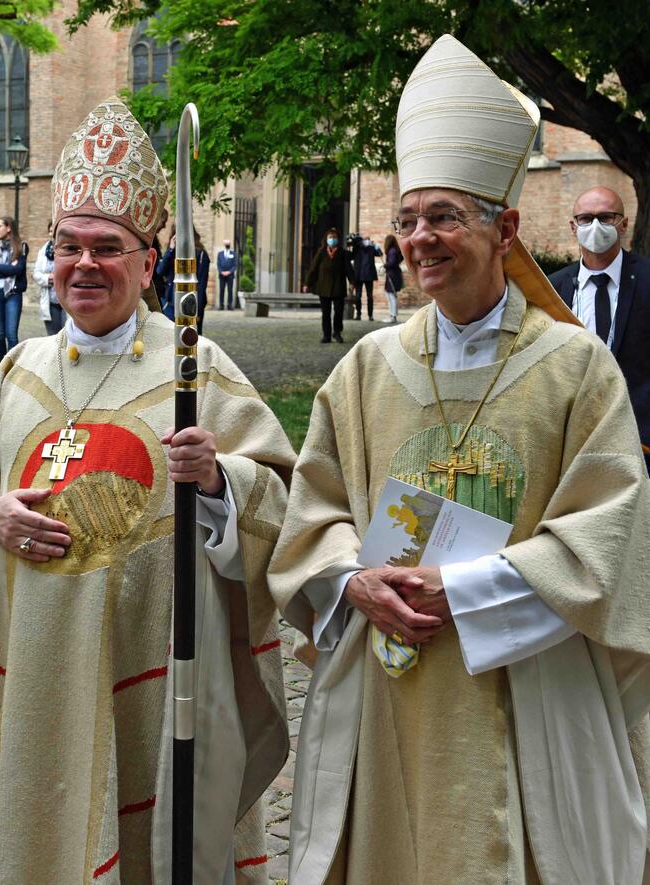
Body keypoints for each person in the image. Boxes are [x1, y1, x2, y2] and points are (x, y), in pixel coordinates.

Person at [269, 36, 650, 883]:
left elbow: (610, 534)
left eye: (443, 216)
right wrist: (351, 581)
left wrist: (464, 592)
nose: (419, 239)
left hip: (530, 688)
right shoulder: (367, 368)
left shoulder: (575, 367)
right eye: (407, 219)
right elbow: (314, 513)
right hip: (387, 685)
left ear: (505, 228)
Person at [0, 96, 296, 883]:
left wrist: (218, 480)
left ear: (149, 265)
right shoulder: (17, 371)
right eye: (69, 246)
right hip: (28, 663)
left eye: (107, 248)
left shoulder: (196, 368)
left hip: (148, 666)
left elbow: (281, 501)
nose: (83, 264)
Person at [548, 186, 650, 474]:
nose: (595, 226)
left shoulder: (646, 279)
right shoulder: (553, 288)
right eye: (586, 218)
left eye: (606, 218)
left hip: (641, 442)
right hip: (574, 443)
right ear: (573, 227)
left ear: (624, 224)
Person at [0, 215, 28, 359]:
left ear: (8, 228)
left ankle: (13, 367)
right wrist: (9, 268)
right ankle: (1, 367)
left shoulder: (21, 247)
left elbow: (18, 270)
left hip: (13, 293)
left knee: (11, 335)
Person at [303, 227, 353, 343]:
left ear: (338, 239)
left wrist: (352, 282)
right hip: (324, 287)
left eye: (334, 237)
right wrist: (307, 283)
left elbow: (348, 269)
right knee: (326, 313)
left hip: (338, 287)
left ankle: (337, 332)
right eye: (330, 237)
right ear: (326, 239)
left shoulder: (342, 253)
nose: (332, 239)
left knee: (338, 311)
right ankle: (326, 335)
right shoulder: (321, 252)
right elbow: (313, 268)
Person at [33, 220, 64, 335]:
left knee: (69, 335)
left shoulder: (71, 249)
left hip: (67, 299)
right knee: (53, 337)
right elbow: (36, 273)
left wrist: (60, 277)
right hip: (50, 299)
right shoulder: (43, 251)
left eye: (55, 231)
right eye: (51, 231)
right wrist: (48, 278)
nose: (53, 234)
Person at [349, 233, 381, 320]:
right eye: (365, 239)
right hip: (359, 275)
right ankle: (358, 314)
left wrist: (377, 247)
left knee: (369, 296)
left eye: (368, 239)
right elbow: (351, 255)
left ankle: (370, 315)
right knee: (358, 296)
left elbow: (379, 254)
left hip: (369, 276)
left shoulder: (371, 248)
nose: (367, 241)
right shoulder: (357, 248)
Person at [382, 232, 403, 323]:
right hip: (394, 274)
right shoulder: (396, 250)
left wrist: (385, 265)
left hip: (392, 275)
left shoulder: (392, 251)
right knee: (391, 295)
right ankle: (392, 315)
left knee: (391, 295)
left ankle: (393, 316)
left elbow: (392, 263)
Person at [216, 238, 237, 310]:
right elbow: (218, 264)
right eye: (226, 244)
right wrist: (221, 272)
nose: (227, 245)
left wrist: (229, 272)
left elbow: (235, 265)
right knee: (221, 290)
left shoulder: (233, 254)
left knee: (230, 290)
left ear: (230, 244)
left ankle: (229, 305)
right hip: (222, 275)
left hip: (230, 275)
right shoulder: (220, 254)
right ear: (224, 244)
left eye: (228, 244)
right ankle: (221, 305)